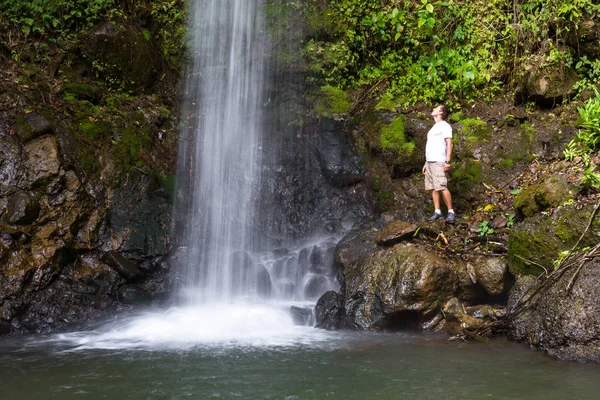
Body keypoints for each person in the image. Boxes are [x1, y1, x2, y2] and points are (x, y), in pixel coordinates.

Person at [422, 104, 455, 223]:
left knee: (442, 187)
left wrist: (447, 161)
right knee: (433, 188)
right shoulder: (434, 127)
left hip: (439, 161)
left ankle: (451, 212)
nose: (433, 109)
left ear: (441, 113)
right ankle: (437, 211)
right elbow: (431, 146)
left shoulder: (445, 126)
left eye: (436, 108)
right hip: (430, 161)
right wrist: (426, 163)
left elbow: (449, 143)